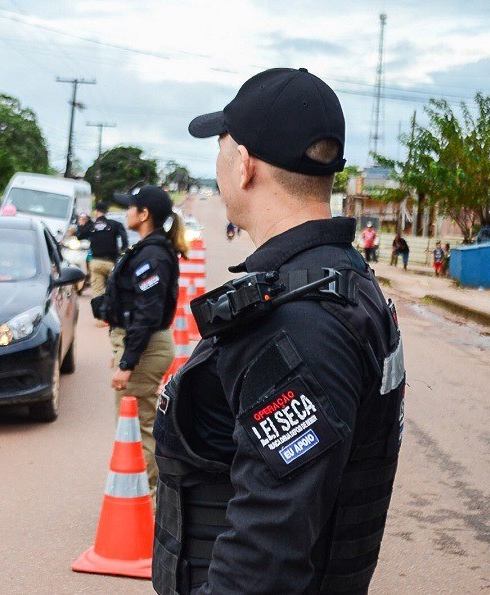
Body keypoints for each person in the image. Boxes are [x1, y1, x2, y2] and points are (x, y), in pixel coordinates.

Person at [153, 68, 406, 594]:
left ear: (243, 165)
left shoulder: (297, 321)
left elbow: (264, 558)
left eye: (222, 148)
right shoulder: (343, 281)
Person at [92, 185, 187, 496]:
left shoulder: (153, 255)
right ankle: (144, 497)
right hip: (140, 344)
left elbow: (147, 313)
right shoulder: (148, 249)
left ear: (144, 215)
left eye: (131, 207)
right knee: (134, 425)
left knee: (137, 428)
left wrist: (128, 361)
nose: (127, 211)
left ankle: (148, 501)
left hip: (145, 348)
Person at [76, 201, 128, 303]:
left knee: (98, 295)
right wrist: (122, 250)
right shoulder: (115, 225)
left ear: (96, 212)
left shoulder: (91, 227)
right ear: (106, 212)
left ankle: (100, 317)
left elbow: (79, 236)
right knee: (115, 293)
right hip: (111, 263)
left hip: (96, 263)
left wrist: (81, 225)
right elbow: (124, 238)